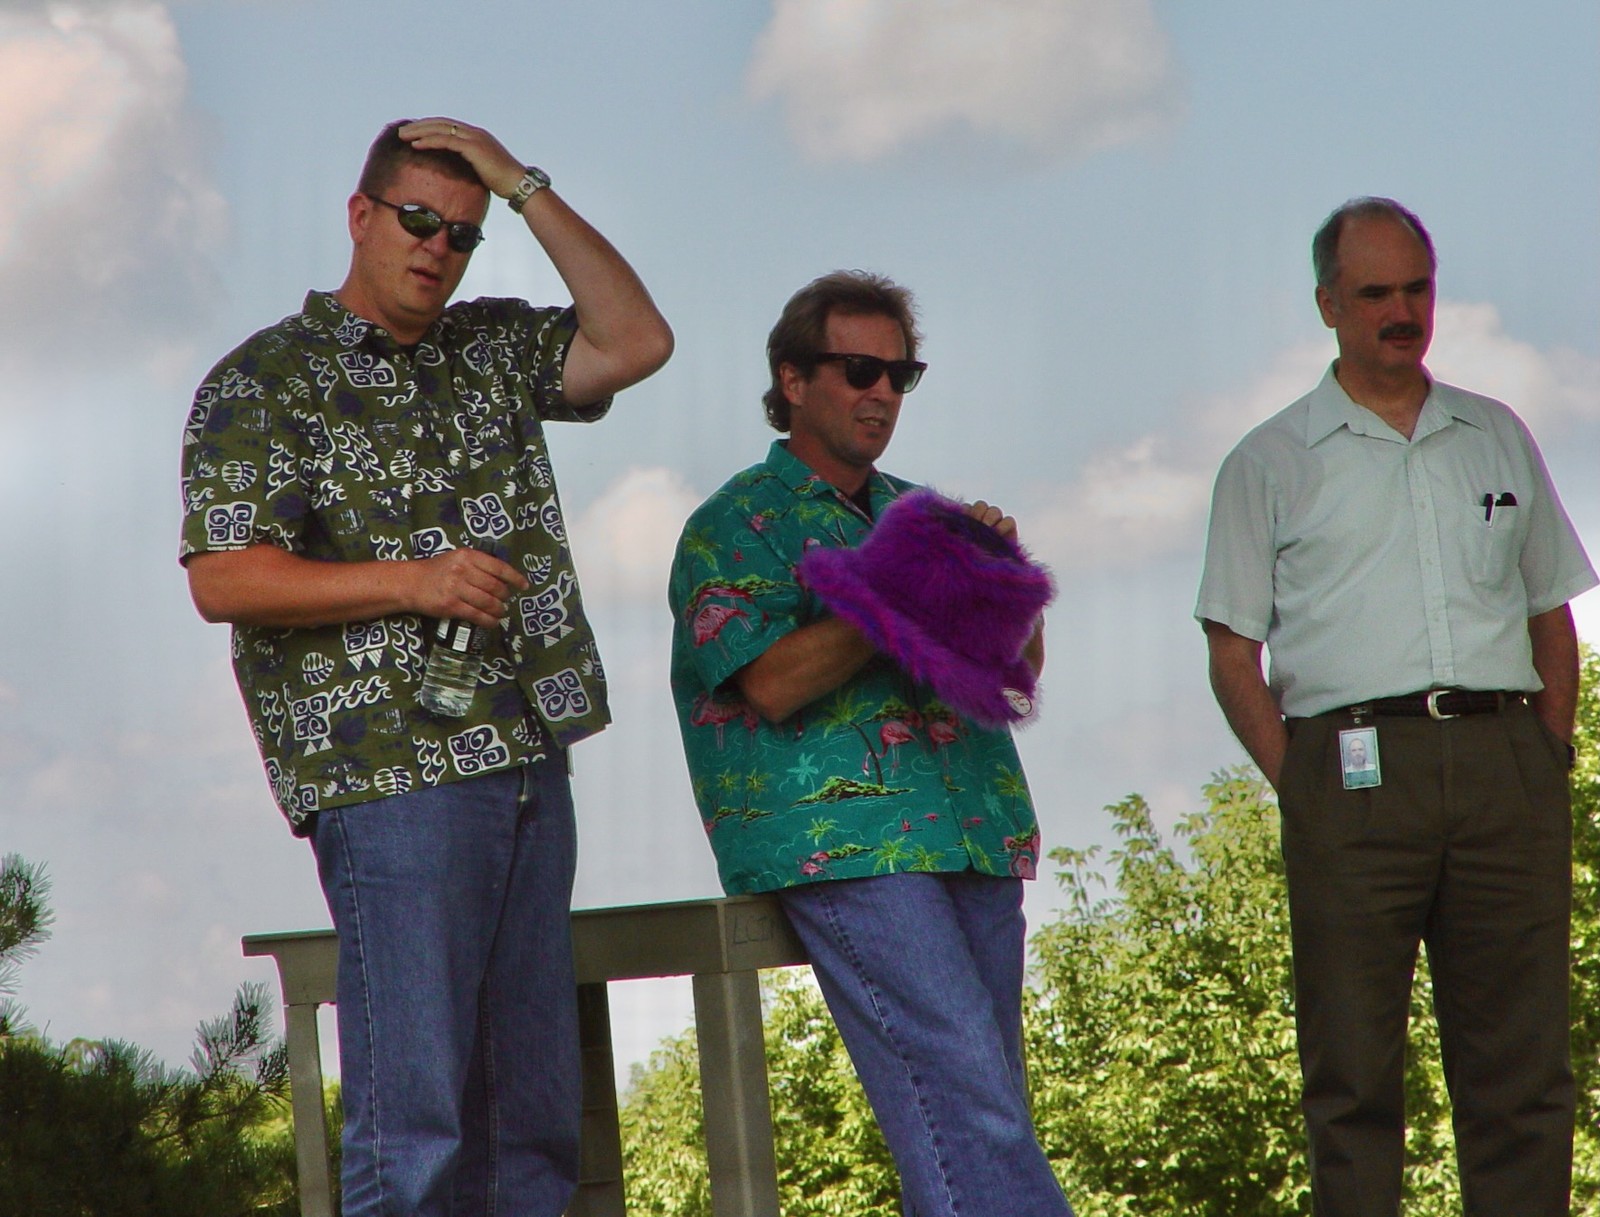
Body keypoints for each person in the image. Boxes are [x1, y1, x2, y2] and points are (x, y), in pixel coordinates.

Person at [179, 117, 671, 1217]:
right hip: (391, 778)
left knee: (530, 1124)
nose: (438, 246)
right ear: (360, 216)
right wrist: (413, 581)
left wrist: (520, 182)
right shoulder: (264, 378)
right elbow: (225, 576)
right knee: (415, 1129)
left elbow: (637, 340)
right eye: (417, 220)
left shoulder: (488, 344)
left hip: (527, 755)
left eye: (462, 231)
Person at [1196, 197, 1594, 1215]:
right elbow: (1232, 651)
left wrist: (1546, 753)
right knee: (1353, 1078)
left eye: (1416, 287)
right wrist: (1304, 785)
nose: (1401, 311)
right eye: (1375, 292)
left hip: (1505, 765)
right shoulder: (1268, 460)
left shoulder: (1495, 433)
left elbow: (1550, 612)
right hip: (1349, 770)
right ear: (1328, 303)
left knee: (1523, 1072)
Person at [668, 271, 1073, 1217]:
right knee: (973, 1103)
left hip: (973, 829)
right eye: (858, 370)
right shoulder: (734, 522)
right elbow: (770, 681)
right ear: (792, 378)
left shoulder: (916, 509)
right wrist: (897, 587)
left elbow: (1016, 668)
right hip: (849, 843)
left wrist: (995, 578)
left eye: (900, 374)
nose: (882, 391)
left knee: (982, 1109)